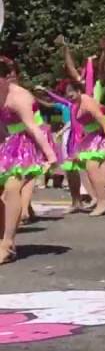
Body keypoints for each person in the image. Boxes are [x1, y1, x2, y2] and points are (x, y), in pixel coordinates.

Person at [0, 62, 58, 263]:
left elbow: (33, 128)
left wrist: (50, 156)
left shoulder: (20, 97)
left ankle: (7, 244)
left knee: (11, 188)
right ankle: (2, 239)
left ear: (7, 78)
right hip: (8, 143)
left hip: (29, 142)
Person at [61, 79, 105, 216]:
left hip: (102, 134)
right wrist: (78, 146)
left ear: (79, 91)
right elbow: (81, 128)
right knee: (92, 169)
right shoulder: (75, 105)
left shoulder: (87, 102)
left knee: (92, 167)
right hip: (91, 136)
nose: (69, 98)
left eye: (71, 95)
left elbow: (104, 123)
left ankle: (102, 203)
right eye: (67, 96)